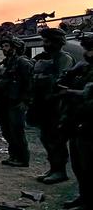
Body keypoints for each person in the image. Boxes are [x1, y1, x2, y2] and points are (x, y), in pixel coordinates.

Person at [29, 27, 74, 184]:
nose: (44, 44)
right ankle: (53, 168)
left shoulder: (64, 59)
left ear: (57, 42)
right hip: (44, 104)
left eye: (47, 41)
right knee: (46, 138)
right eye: (44, 41)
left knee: (55, 140)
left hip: (57, 106)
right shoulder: (46, 59)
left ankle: (59, 171)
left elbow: (61, 83)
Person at [58, 33, 93, 210]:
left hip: (89, 124)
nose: (87, 53)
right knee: (79, 165)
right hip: (78, 122)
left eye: (90, 49)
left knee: (89, 167)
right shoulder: (84, 68)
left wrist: (71, 92)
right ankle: (84, 199)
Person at [0, 34, 34, 167]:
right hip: (4, 101)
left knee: (17, 130)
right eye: (3, 46)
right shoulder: (5, 64)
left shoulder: (23, 62)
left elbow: (29, 83)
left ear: (15, 47)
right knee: (7, 130)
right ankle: (13, 155)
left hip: (16, 102)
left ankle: (22, 158)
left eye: (7, 46)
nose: (4, 49)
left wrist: (25, 101)